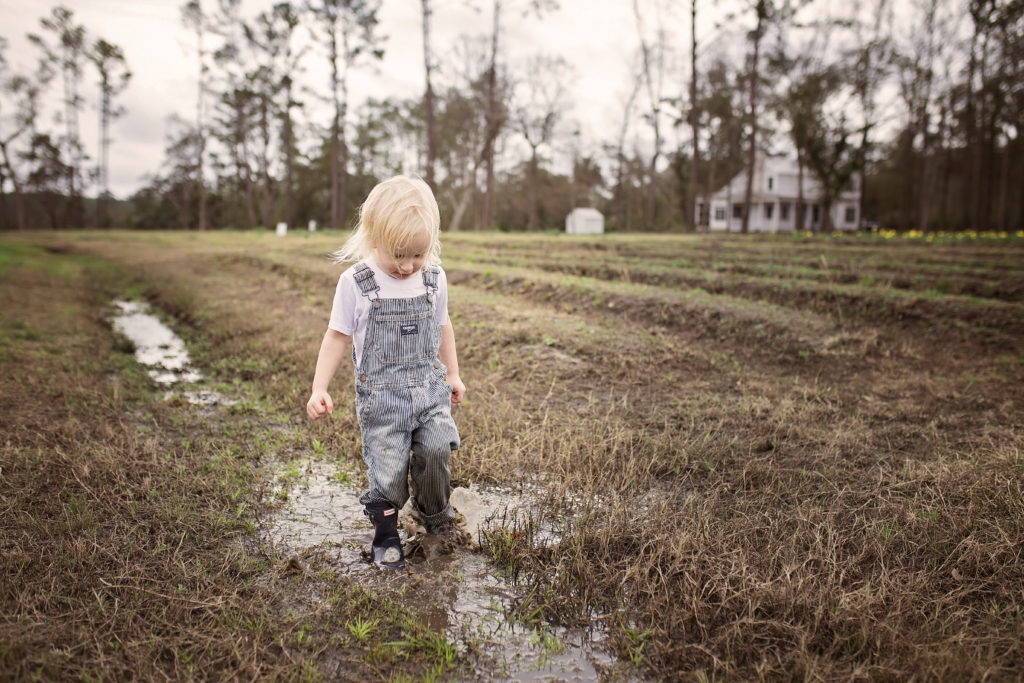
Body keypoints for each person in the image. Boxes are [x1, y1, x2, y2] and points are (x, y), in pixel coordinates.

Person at [306, 176, 465, 571]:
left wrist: (454, 376)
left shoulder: (433, 279)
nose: (409, 266)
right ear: (373, 238)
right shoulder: (357, 283)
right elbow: (337, 336)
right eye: (399, 255)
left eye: (418, 254)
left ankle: (435, 517)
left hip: (429, 391)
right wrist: (319, 387)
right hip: (382, 398)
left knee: (435, 451)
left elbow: (443, 326)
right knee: (389, 470)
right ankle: (386, 531)